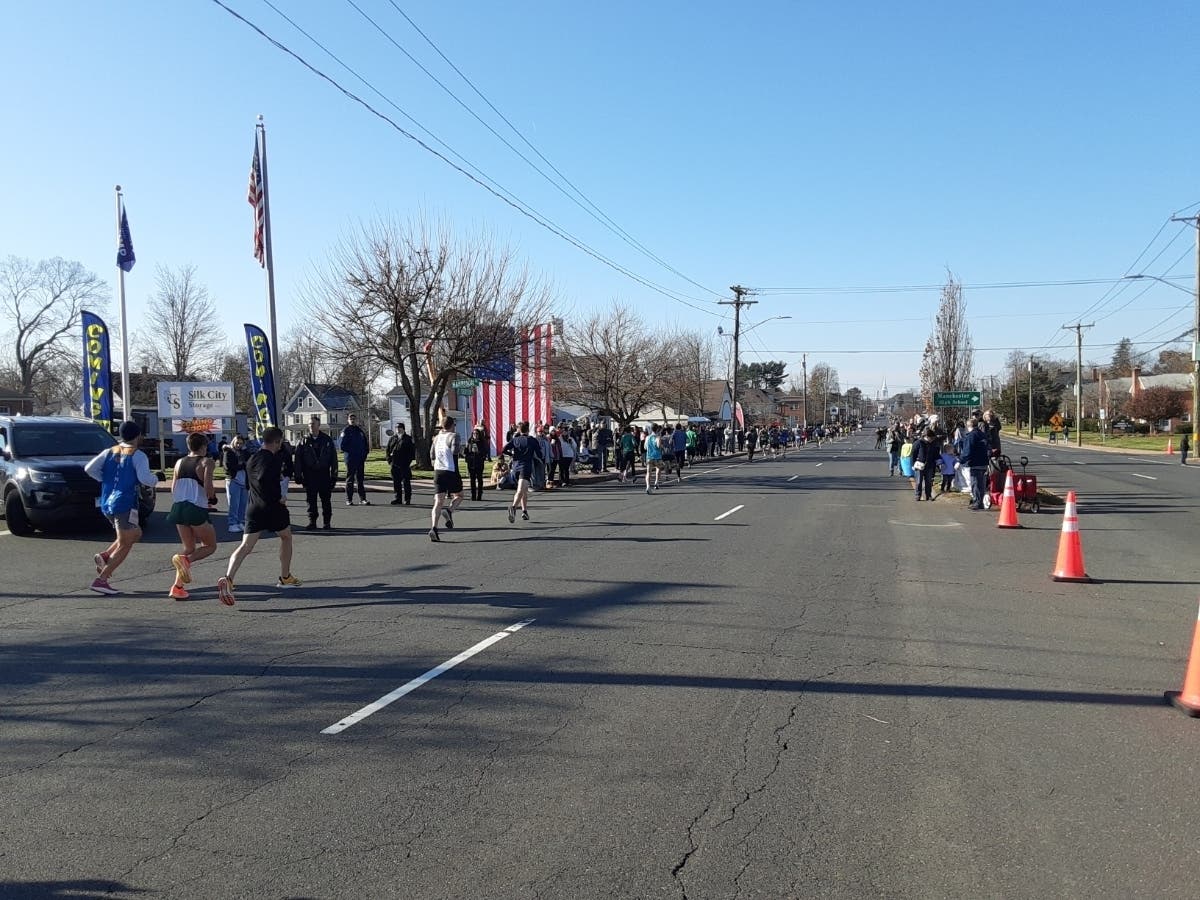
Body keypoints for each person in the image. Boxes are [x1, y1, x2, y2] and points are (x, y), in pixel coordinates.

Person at [217, 427, 300, 605]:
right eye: (280, 443)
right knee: (286, 537)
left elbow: (251, 481)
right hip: (271, 506)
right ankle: (285, 577)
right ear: (277, 442)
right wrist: (279, 498)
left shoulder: (252, 457)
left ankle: (228, 578)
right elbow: (264, 479)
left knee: (246, 545)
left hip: (253, 506)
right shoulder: (269, 459)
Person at [84, 420, 160, 595]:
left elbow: (89, 468)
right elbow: (144, 479)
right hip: (124, 502)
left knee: (136, 533)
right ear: (137, 435)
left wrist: (104, 479)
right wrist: (157, 478)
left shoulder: (109, 451)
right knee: (126, 542)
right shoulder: (138, 455)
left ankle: (105, 556)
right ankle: (102, 579)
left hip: (107, 500)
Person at [166, 432, 219, 601]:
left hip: (178, 507)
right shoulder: (207, 462)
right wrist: (212, 498)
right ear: (204, 446)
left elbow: (173, 487)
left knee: (188, 549)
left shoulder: (179, 462)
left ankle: (178, 587)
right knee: (210, 546)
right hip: (195, 507)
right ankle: (187, 562)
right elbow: (208, 485)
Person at [295, 414, 338, 530]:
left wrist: (334, 476)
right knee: (311, 500)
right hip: (310, 475)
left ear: (319, 425)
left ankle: (327, 522)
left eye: (313, 424)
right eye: (309, 424)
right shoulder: (303, 441)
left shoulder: (327, 440)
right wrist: (298, 475)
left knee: (326, 500)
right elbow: (298, 459)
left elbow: (334, 459)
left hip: (324, 474)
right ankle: (312, 521)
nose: (311, 426)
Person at [429, 417, 464, 541]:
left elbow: (432, 454)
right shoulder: (454, 436)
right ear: (452, 425)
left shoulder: (436, 437)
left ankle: (434, 527)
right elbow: (455, 451)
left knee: (438, 501)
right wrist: (461, 449)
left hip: (438, 471)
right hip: (451, 470)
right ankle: (449, 511)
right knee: (459, 495)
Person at [501, 421, 543, 523]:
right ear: (528, 430)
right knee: (520, 489)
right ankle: (513, 507)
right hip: (525, 467)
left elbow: (504, 449)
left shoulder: (515, 440)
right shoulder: (532, 440)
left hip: (515, 467)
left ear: (519, 430)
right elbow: (540, 454)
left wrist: (511, 455)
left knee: (523, 490)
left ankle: (524, 511)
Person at [959, 418, 991, 510]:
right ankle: (980, 501)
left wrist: (960, 460)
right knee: (981, 484)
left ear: (968, 426)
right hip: (984, 462)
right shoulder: (982, 435)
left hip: (975, 462)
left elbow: (967, 451)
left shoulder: (971, 436)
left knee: (975, 483)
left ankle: (977, 502)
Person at [340, 412, 370, 506]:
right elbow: (342, 446)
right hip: (351, 459)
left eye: (354, 419)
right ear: (348, 420)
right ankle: (349, 499)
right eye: (351, 419)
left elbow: (365, 445)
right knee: (350, 480)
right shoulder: (346, 431)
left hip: (360, 459)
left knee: (360, 480)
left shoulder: (360, 431)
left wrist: (364, 454)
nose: (353, 420)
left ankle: (362, 499)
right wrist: (353, 452)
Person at [222, 434, 248, 533]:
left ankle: (240, 522)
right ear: (233, 442)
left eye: (241, 443)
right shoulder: (228, 452)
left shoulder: (244, 452)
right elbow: (228, 466)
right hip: (233, 480)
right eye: (237, 443)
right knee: (234, 504)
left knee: (243, 504)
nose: (238, 445)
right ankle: (232, 523)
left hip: (244, 481)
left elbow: (248, 463)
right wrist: (241, 466)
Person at [386, 424, 416, 505]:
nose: (398, 429)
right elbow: (388, 450)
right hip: (394, 464)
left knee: (406, 482)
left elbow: (412, 452)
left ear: (403, 429)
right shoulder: (393, 438)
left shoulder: (408, 439)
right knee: (396, 482)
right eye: (396, 428)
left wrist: (407, 462)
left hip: (404, 464)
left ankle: (407, 499)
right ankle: (398, 498)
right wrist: (389, 460)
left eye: (400, 428)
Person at [911, 428, 939, 501]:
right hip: (919, 465)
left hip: (930, 465)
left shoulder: (933, 444)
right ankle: (918, 495)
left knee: (928, 481)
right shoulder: (918, 443)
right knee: (919, 481)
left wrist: (938, 460)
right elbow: (913, 454)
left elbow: (936, 453)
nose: (932, 439)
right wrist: (913, 464)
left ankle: (928, 495)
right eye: (931, 438)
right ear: (927, 436)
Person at [644, 423, 667, 494]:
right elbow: (658, 446)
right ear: (657, 429)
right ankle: (656, 482)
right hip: (657, 456)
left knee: (648, 472)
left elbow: (645, 447)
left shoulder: (647, 437)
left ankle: (648, 486)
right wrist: (663, 447)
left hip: (649, 456)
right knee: (658, 469)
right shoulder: (658, 437)